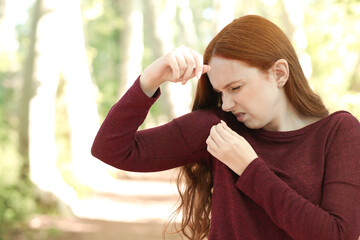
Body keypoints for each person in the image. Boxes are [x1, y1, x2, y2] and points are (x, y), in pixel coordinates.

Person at [91, 15, 360, 240]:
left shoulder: (338, 132)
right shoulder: (218, 129)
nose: (227, 104)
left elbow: (339, 234)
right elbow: (111, 148)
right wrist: (151, 78)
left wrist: (249, 168)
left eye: (236, 88)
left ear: (279, 73)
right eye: (221, 93)